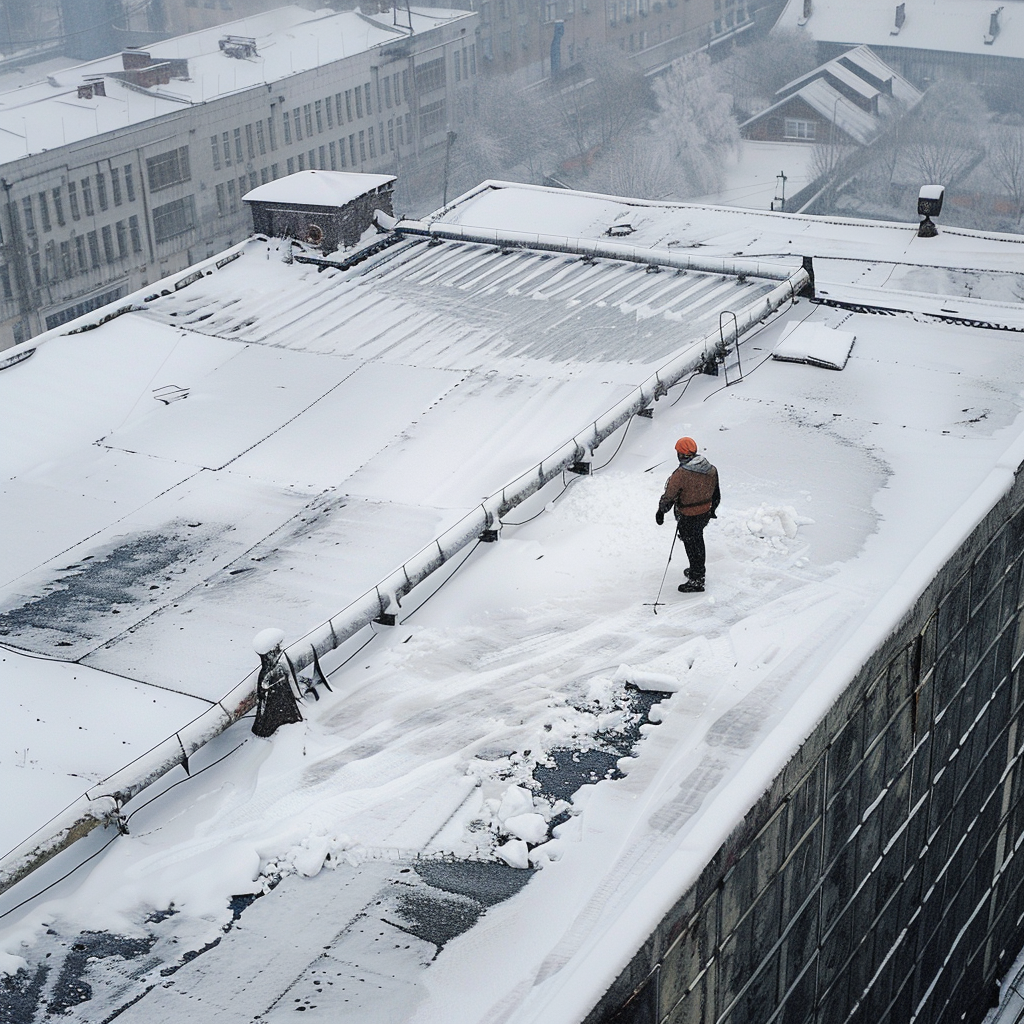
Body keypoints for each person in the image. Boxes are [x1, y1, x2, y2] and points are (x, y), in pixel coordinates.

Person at [655, 437, 720, 593]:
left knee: (692, 545)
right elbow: (716, 493)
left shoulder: (681, 474)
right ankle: (697, 571)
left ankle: (697, 579)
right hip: (704, 512)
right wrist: (712, 510)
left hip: (688, 515)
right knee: (698, 540)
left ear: (681, 454)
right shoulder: (711, 469)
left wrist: (661, 511)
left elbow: (670, 495)